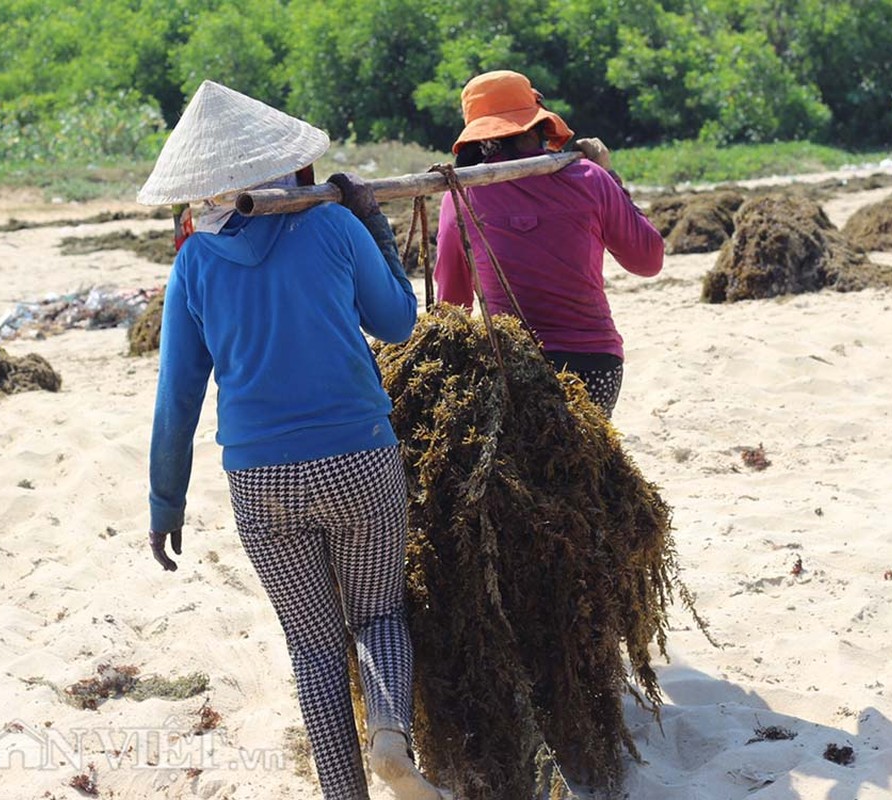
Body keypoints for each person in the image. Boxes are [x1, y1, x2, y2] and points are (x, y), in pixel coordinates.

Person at [139, 80, 446, 800]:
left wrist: (164, 503)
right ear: (289, 168)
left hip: (260, 481)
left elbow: (178, 397)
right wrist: (371, 222)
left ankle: (345, 794)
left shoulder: (193, 264)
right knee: (376, 614)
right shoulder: (335, 228)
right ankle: (392, 737)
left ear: (206, 190)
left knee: (313, 646)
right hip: (359, 459)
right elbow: (399, 322)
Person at [434, 70, 664, 418]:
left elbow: (453, 304)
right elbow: (648, 261)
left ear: (482, 140)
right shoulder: (591, 179)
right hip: (597, 367)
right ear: (538, 125)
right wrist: (610, 176)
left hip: (513, 368)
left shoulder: (460, 197)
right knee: (584, 465)